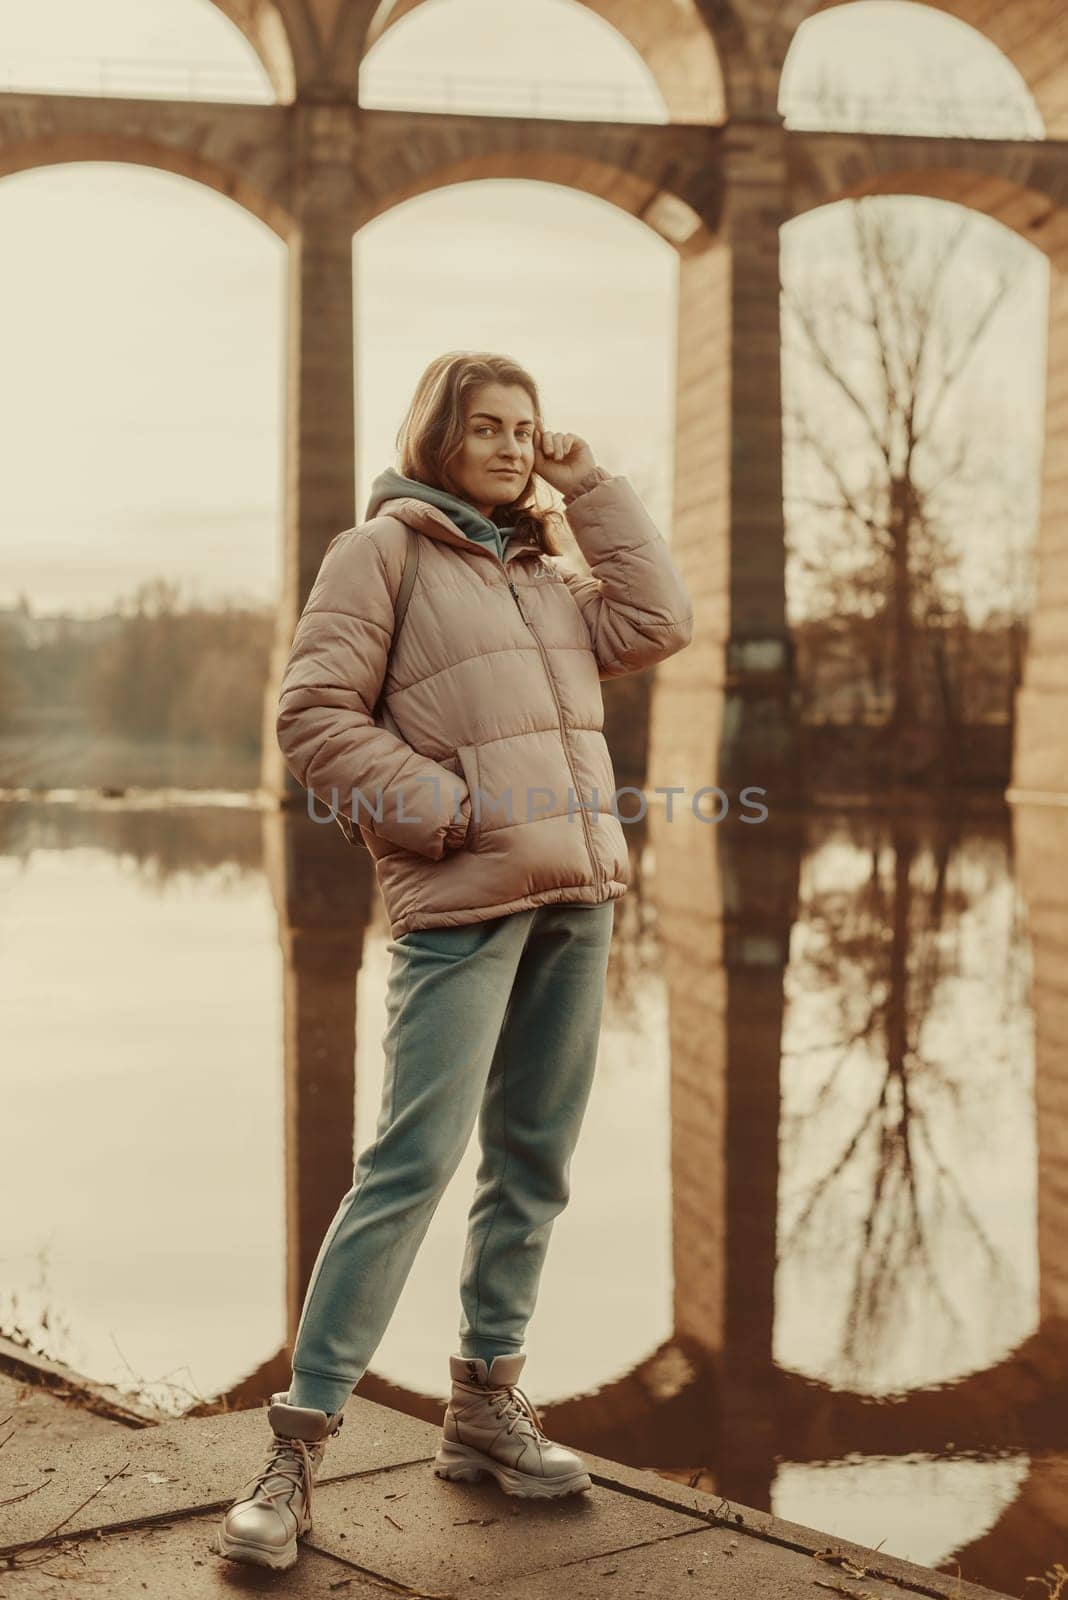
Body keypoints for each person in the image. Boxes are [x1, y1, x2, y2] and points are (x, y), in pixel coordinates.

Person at [214, 350, 693, 1570]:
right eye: (488, 426)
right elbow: (313, 717)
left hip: (578, 900)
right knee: (410, 1163)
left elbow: (660, 620)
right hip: (466, 900)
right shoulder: (380, 552)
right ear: (438, 436)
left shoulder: (544, 569)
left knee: (533, 1160)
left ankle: (485, 1410)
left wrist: (593, 491)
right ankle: (296, 1449)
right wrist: (446, 810)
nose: (513, 444)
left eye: (528, 428)